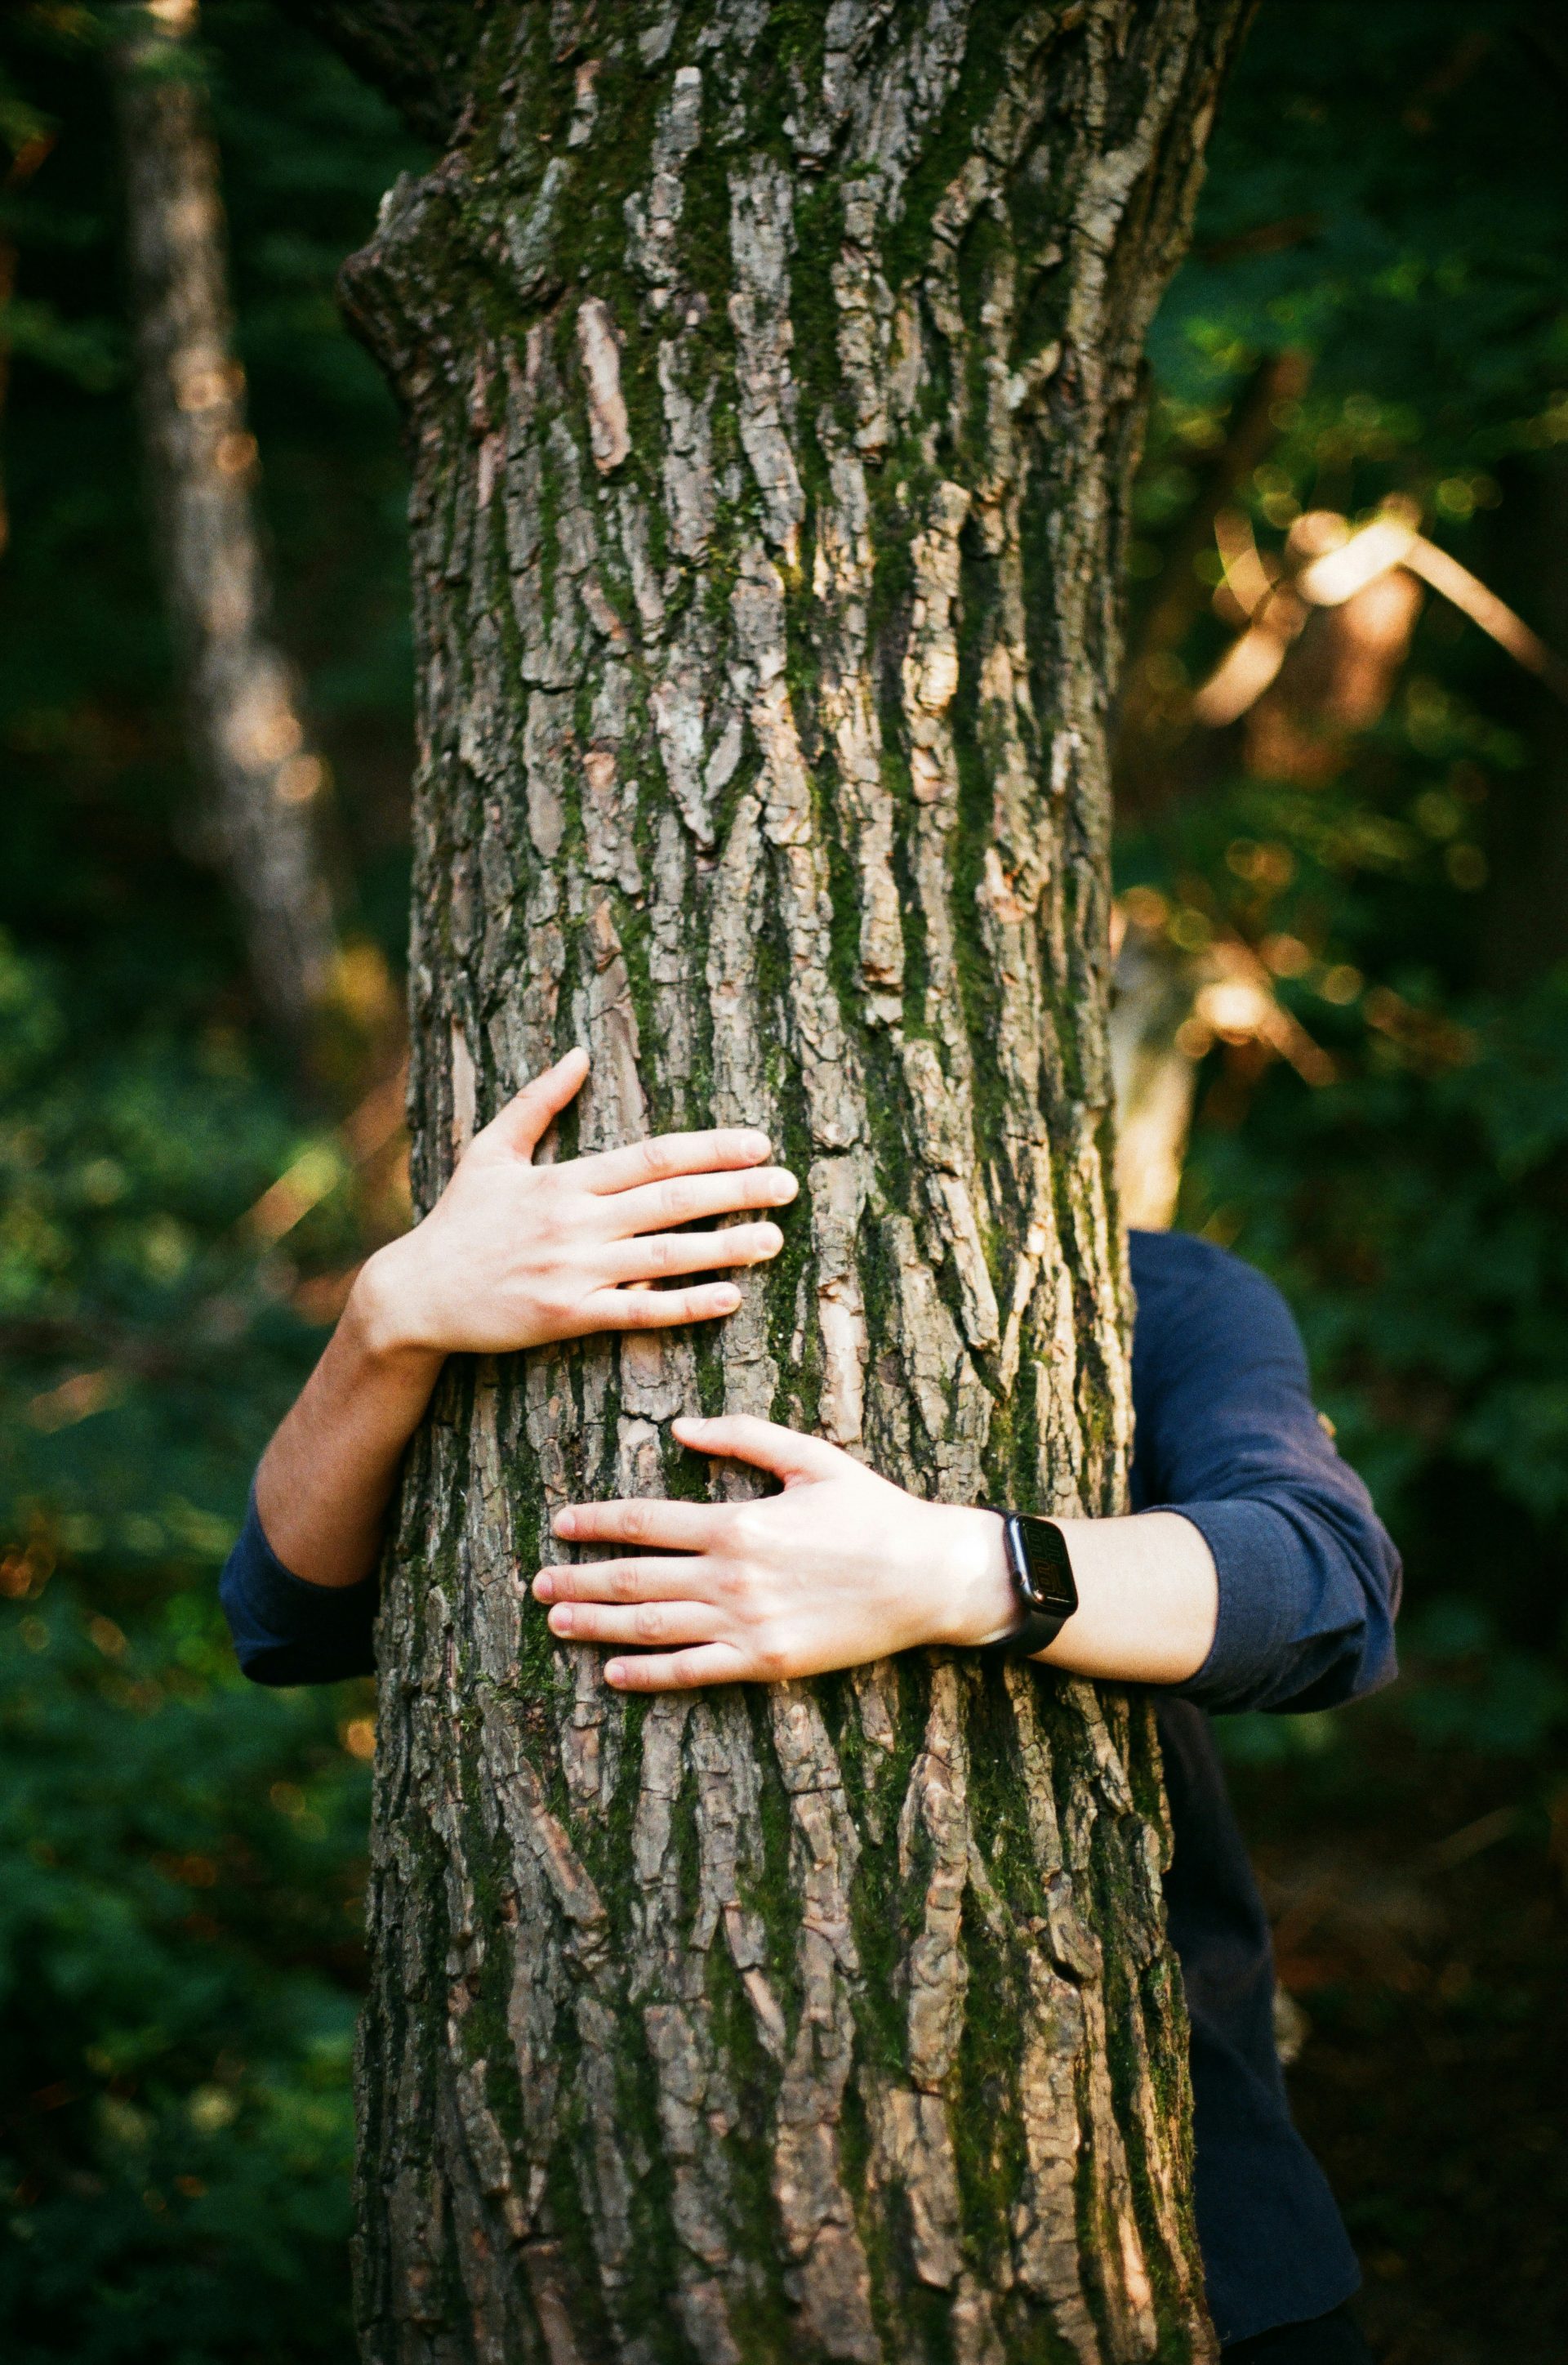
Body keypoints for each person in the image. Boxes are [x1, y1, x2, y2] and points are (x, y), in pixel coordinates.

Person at [222, 1050, 1396, 2363]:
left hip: (1187, 2232)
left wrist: (957, 1571)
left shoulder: (1151, 1292)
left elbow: (1326, 1586)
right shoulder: (527, 1266)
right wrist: (390, 1316)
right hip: (589, 2244)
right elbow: (284, 1616)